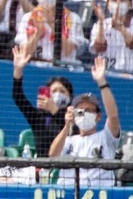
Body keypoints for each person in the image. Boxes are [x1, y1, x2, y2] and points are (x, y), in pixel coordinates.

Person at [48, 57, 121, 187]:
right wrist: (66, 127)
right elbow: (53, 156)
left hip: (99, 195)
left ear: (98, 116)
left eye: (88, 110)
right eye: (79, 110)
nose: (83, 113)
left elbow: (113, 116)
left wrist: (102, 83)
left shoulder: (105, 137)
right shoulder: (69, 140)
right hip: (67, 194)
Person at [10, 45, 74, 157]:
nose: (58, 94)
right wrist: (18, 70)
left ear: (70, 96)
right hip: (43, 168)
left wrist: (54, 109)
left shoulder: (73, 116)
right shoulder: (38, 117)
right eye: (54, 91)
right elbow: (17, 96)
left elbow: (71, 134)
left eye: (62, 91)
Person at [15, 0, 88, 63]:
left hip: (63, 69)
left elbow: (68, 51)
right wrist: (37, 34)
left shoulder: (73, 18)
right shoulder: (27, 18)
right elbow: (24, 52)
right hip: (36, 67)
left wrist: (52, 25)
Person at [90, 0, 133, 73]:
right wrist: (101, 21)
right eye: (114, 0)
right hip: (106, 73)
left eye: (122, 0)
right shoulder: (100, 24)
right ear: (107, 4)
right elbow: (99, 48)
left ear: (130, 4)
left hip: (132, 74)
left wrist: (120, 26)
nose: (117, 4)